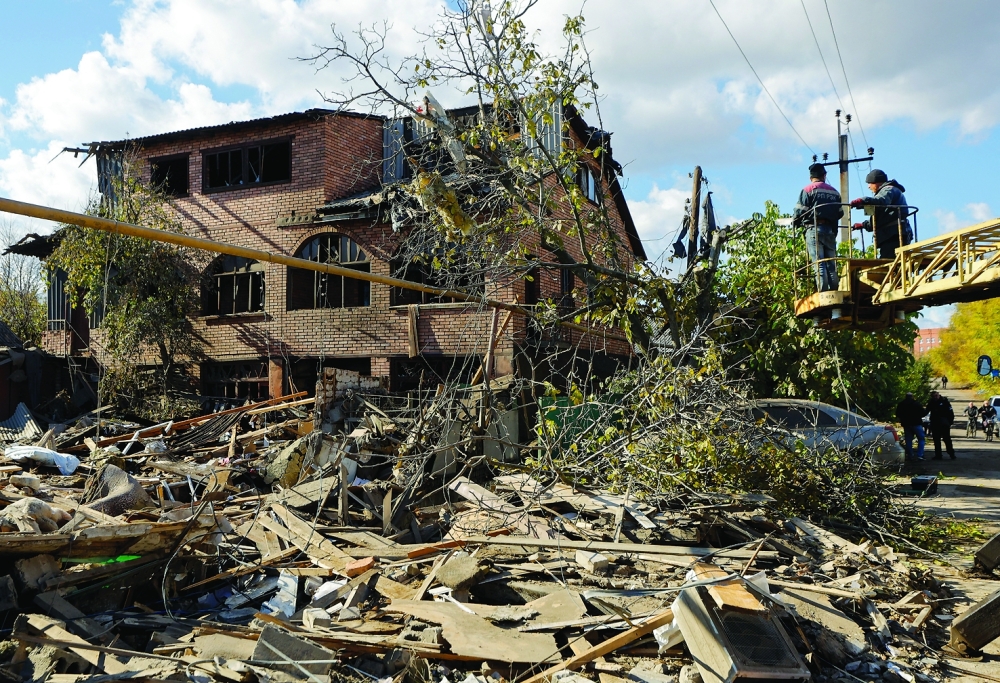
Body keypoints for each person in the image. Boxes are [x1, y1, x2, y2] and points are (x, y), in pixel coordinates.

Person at [793, 163, 844, 291]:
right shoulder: (834, 192)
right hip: (830, 231)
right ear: (824, 175)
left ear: (811, 177)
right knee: (832, 264)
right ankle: (834, 291)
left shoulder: (808, 190)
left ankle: (823, 293)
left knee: (819, 264)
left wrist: (795, 222)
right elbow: (840, 213)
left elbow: (799, 212)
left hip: (813, 229)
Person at [850, 169, 913, 258]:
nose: (869, 186)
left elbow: (882, 201)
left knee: (890, 263)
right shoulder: (885, 193)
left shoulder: (888, 189)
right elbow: (880, 220)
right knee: (890, 263)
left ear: (877, 182)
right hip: (890, 235)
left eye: (870, 183)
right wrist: (863, 225)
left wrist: (863, 200)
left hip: (893, 235)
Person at [896, 392, 926, 461]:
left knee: (908, 440)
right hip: (917, 424)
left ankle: (910, 455)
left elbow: (898, 414)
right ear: (912, 397)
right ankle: (920, 455)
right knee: (921, 439)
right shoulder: (916, 404)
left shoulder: (901, 404)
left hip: (906, 424)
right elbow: (923, 413)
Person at [927, 390, 956, 460]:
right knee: (936, 440)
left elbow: (950, 412)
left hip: (944, 423)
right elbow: (926, 411)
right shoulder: (931, 402)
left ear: (939, 395)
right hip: (935, 423)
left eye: (936, 396)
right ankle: (938, 455)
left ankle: (951, 454)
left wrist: (950, 422)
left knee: (947, 439)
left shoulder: (945, 401)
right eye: (934, 396)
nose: (935, 397)